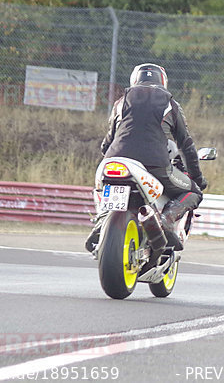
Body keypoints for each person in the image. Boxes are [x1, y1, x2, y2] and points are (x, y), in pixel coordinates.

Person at [87, 63, 208, 252]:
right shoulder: (170, 103)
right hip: (154, 165)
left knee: (101, 186)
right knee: (194, 192)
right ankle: (166, 219)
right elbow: (186, 145)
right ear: (163, 81)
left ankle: (102, 219)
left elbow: (107, 143)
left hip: (114, 160)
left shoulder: (121, 101)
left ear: (134, 79)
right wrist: (198, 179)